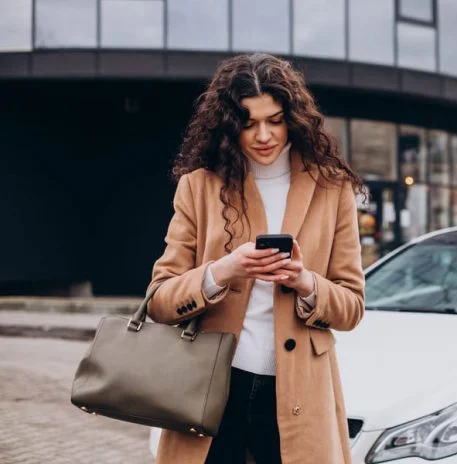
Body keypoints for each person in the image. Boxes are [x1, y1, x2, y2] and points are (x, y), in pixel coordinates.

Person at [146, 53, 366, 464]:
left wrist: (306, 283)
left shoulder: (332, 189)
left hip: (298, 392)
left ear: (292, 118)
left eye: (275, 120)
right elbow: (160, 300)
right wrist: (221, 272)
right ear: (229, 126)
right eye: (248, 123)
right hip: (211, 389)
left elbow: (352, 307)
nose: (264, 135)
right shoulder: (199, 186)